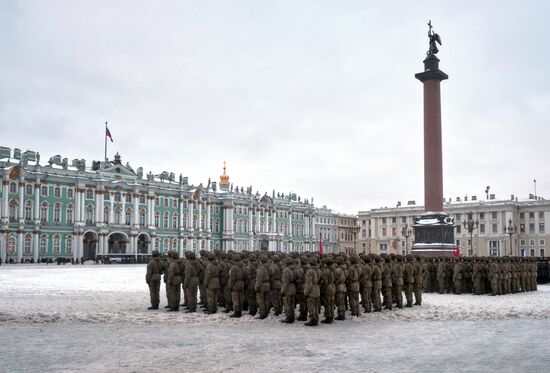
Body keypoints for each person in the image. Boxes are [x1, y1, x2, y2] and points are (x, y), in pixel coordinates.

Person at [304, 257, 320, 326]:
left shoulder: (310, 271)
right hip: (317, 289)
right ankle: (316, 318)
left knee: (311, 306)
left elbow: (309, 283)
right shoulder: (318, 270)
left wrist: (306, 292)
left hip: (312, 290)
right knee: (316, 305)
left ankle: (313, 319)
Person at [281, 257, 297, 323]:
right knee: (292, 303)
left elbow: (285, 282)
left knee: (287, 303)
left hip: (288, 288)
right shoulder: (295, 269)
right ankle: (292, 316)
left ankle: (289, 317)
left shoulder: (286, 270)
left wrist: (283, 291)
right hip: (293, 287)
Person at [255, 254, 271, 319]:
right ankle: (266, 312)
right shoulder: (269, 267)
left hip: (262, 286)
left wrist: (257, 287)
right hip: (267, 284)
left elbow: (259, 279)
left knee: (261, 301)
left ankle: (262, 314)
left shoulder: (261, 268)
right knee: (266, 300)